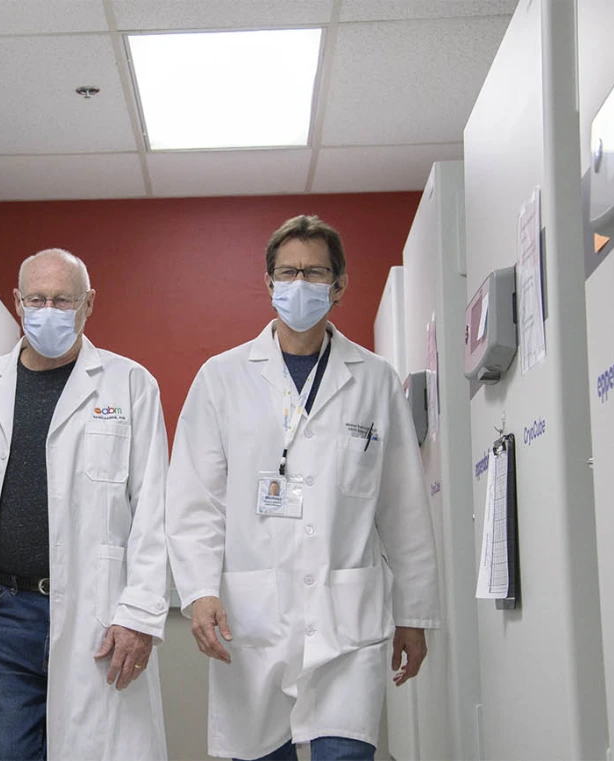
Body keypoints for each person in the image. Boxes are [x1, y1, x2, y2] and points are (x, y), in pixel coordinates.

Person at [166, 216, 440, 761]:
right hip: (255, 621)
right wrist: (199, 591)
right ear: (269, 283)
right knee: (260, 751)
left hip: (345, 621)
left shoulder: (375, 379)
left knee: (346, 751)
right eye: (287, 271)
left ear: (339, 286)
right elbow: (195, 501)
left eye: (315, 273)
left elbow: (403, 506)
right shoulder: (221, 378)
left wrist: (415, 613)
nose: (299, 283)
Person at [0, 249, 170, 761]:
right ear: (17, 303)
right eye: (37, 299)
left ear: (89, 303)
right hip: (4, 613)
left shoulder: (130, 385)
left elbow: (155, 510)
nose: (48, 310)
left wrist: (141, 614)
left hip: (98, 612)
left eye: (62, 300)